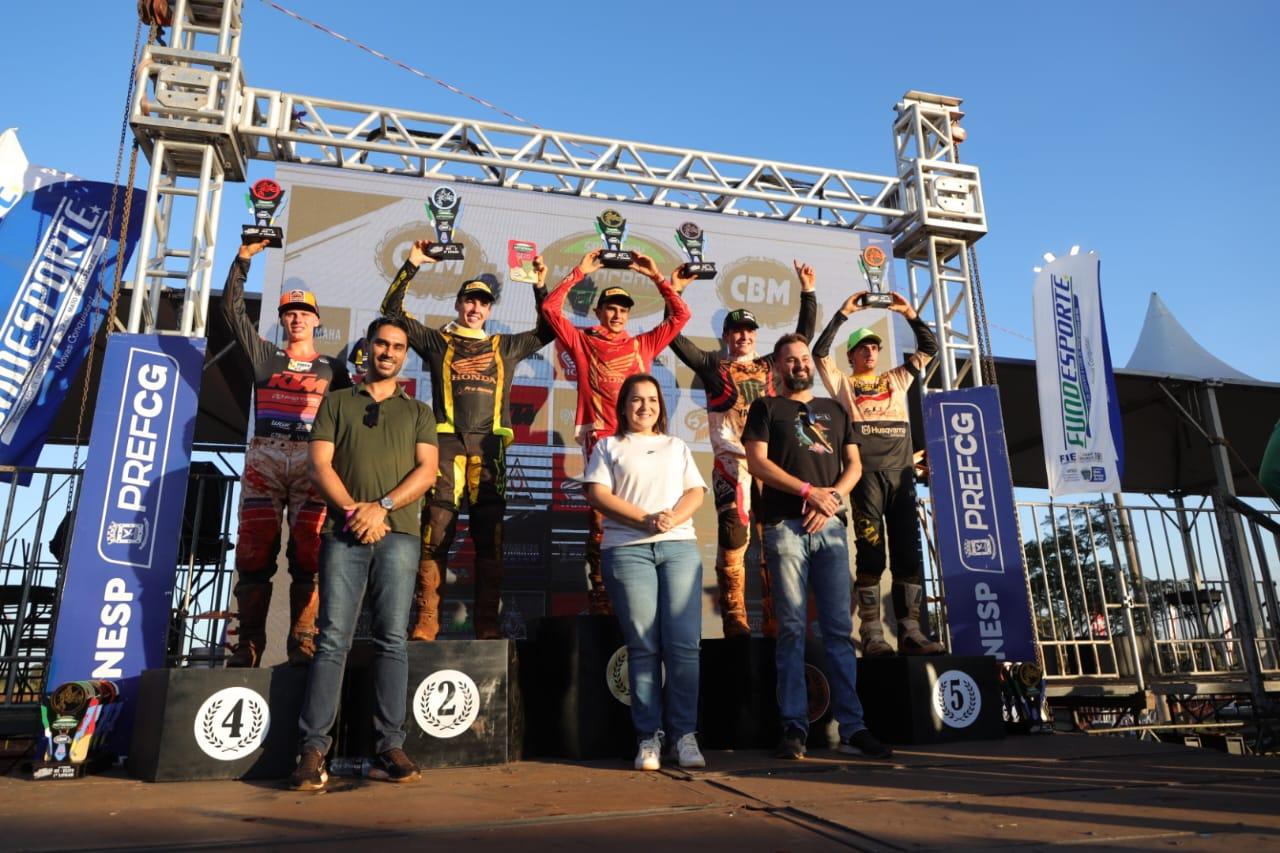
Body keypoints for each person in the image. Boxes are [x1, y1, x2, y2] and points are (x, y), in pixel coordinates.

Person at [290, 316, 439, 791]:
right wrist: (356, 511)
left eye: (397, 346)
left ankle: (389, 746)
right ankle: (313, 750)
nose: (388, 352)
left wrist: (383, 508)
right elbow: (318, 464)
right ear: (368, 348)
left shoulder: (418, 411)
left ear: (404, 355)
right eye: (381, 344)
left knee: (392, 639)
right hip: (344, 532)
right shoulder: (336, 402)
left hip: (398, 535)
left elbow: (428, 471)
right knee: (333, 639)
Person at [379, 240, 553, 640]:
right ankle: (426, 621)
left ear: (489, 310)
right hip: (446, 446)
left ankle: (487, 626)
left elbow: (548, 330)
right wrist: (411, 264)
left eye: (483, 303)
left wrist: (539, 287)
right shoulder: (437, 340)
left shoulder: (503, 346)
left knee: (490, 537)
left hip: (490, 450)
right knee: (436, 529)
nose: (475, 308)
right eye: (469, 301)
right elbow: (391, 313)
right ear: (458, 305)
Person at [743, 334, 892, 761]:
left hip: (829, 527)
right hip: (785, 525)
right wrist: (809, 492)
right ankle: (793, 727)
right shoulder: (766, 408)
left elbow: (855, 465)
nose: (799, 365)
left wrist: (831, 500)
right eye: (790, 360)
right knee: (791, 628)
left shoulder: (835, 409)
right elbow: (757, 462)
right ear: (777, 368)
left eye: (804, 358)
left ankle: (853, 727)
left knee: (838, 632)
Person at [667, 261, 817, 637]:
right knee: (734, 535)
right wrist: (676, 292)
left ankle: (775, 617)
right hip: (731, 466)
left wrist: (808, 292)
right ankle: (735, 615)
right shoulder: (713, 366)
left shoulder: (772, 366)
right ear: (726, 336)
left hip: (768, 465)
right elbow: (675, 338)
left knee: (775, 538)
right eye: (736, 331)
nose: (743, 336)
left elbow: (801, 339)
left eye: (749, 330)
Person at [220, 239, 352, 667]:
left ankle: (303, 640)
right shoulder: (265, 355)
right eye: (289, 314)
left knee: (310, 553)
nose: (296, 319)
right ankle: (249, 644)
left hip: (312, 460)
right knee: (254, 550)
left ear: (316, 321)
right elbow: (231, 312)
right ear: (282, 321)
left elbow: (353, 415)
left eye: (304, 313)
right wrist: (242, 261)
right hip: (266, 456)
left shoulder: (333, 369)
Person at [542, 249, 692, 614]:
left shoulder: (643, 343)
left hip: (644, 444)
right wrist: (580, 271)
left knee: (648, 512)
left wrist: (658, 278)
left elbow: (681, 315)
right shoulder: (582, 341)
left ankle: (641, 594)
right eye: (610, 308)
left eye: (623, 309)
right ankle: (603, 599)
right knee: (601, 521)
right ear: (598, 312)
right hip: (603, 440)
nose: (617, 314)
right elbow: (549, 310)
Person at [582, 374, 707, 770]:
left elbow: (696, 492)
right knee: (644, 646)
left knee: (684, 646)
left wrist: (669, 520)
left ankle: (684, 736)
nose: (645, 407)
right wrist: (646, 520)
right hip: (627, 552)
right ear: (623, 406)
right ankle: (648, 738)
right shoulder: (608, 446)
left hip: (679, 549)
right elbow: (597, 494)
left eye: (652, 400)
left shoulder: (676, 445)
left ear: (661, 406)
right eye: (637, 400)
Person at [812, 289, 943, 656]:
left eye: (874, 348)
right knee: (870, 552)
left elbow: (929, 349)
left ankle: (910, 631)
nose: (870, 352)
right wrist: (842, 313)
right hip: (866, 476)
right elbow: (819, 353)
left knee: (906, 554)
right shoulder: (843, 383)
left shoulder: (896, 378)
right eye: (862, 348)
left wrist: (910, 314)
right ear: (851, 355)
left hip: (901, 474)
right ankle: (871, 632)